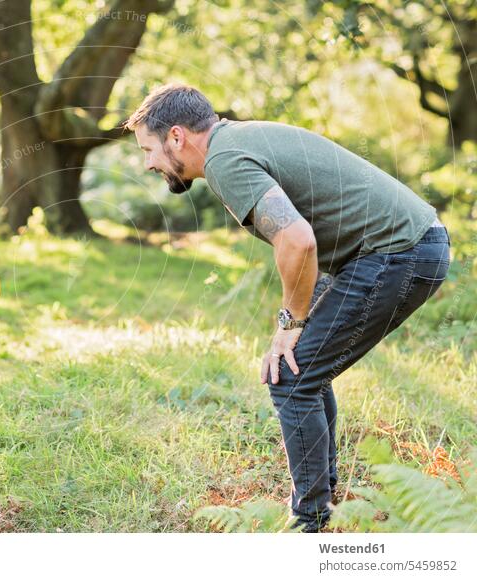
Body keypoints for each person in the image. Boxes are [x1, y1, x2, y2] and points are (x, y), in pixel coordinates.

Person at [124, 84, 450, 532]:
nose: (148, 163)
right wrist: (294, 326)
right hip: (400, 247)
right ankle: (323, 497)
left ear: (176, 137)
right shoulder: (236, 140)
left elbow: (297, 240)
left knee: (292, 377)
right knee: (302, 368)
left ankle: (309, 524)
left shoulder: (223, 160)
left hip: (400, 252)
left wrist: (290, 322)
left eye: (148, 149)